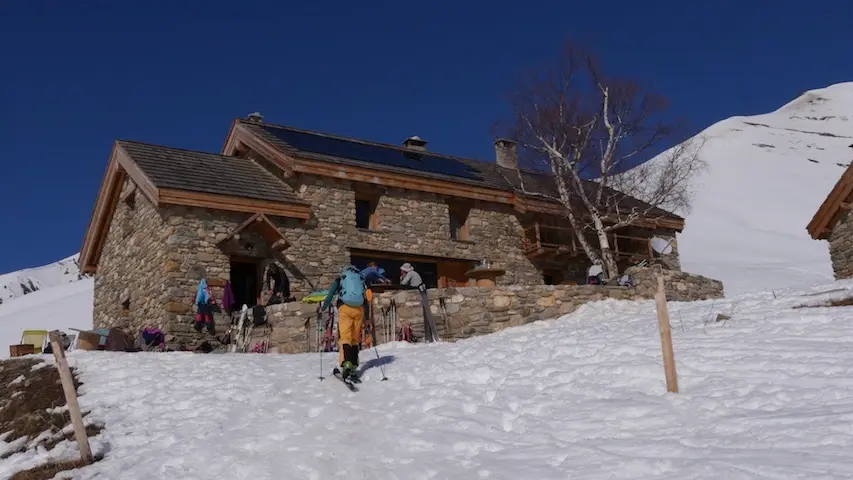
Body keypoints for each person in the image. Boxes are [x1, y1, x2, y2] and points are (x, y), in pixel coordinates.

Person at [320, 265, 368, 381]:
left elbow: (330, 294)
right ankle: (354, 366)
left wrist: (323, 308)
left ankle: (346, 363)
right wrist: (366, 316)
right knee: (355, 338)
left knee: (345, 337)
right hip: (359, 309)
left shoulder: (341, 278)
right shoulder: (361, 278)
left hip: (345, 308)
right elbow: (365, 298)